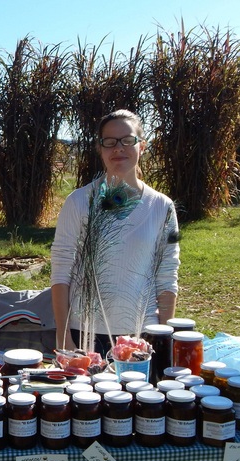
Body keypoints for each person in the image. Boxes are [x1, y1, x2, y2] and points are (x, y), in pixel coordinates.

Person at [50, 109, 180, 357]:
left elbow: (167, 274)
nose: (118, 148)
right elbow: (61, 271)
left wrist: (165, 338)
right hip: (85, 336)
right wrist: (64, 336)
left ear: (142, 146)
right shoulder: (78, 202)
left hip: (143, 335)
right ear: (100, 149)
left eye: (127, 140)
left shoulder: (163, 207)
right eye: (109, 142)